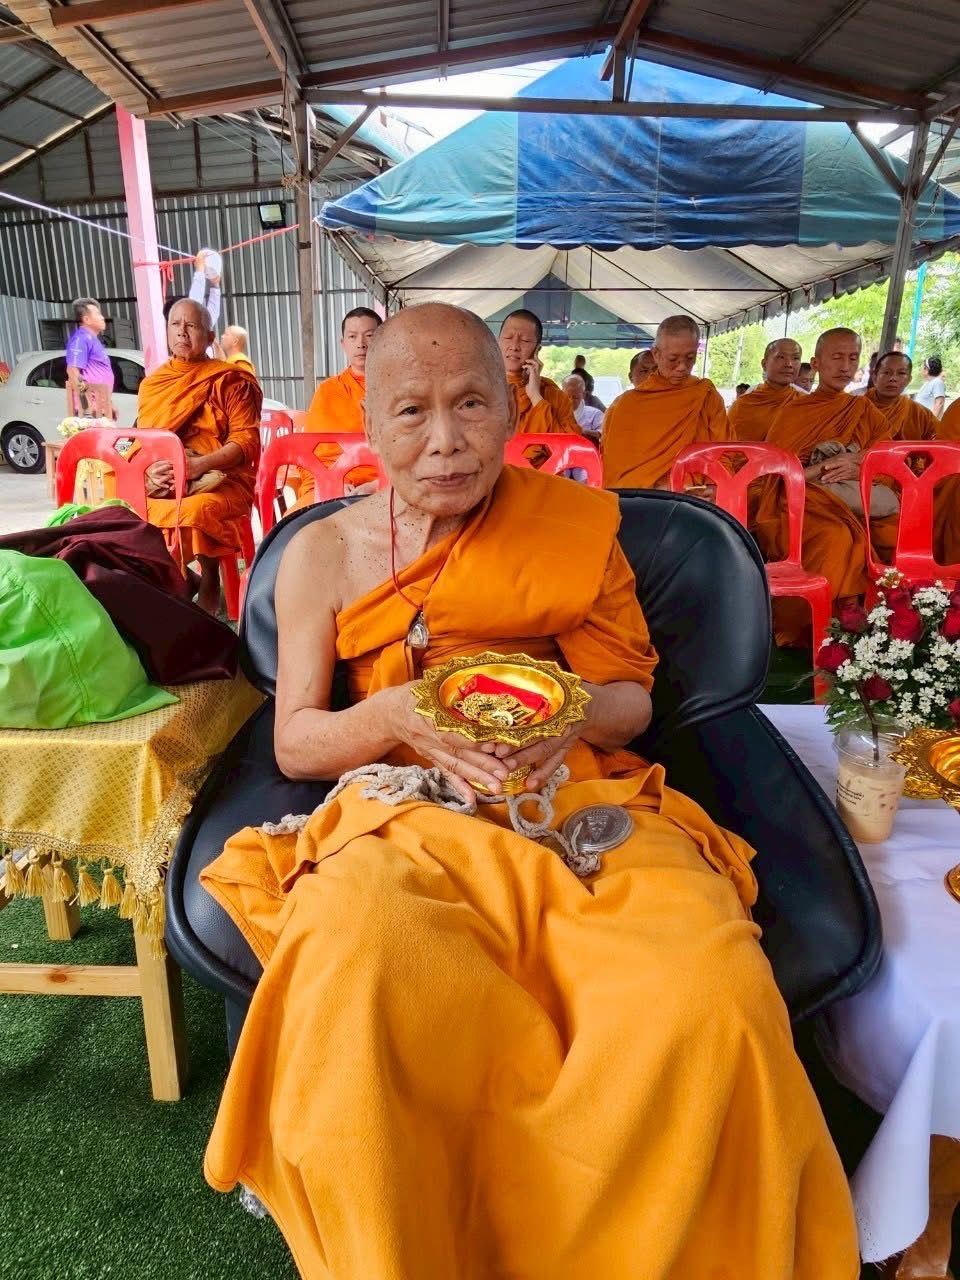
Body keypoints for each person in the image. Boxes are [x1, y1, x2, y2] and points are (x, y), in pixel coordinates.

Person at [200, 302, 857, 1280]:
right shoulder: (321, 554)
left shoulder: (574, 525)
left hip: (579, 803)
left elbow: (631, 700)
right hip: (402, 806)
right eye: (411, 411)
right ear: (366, 419)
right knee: (360, 963)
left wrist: (567, 712)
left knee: (706, 991)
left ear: (512, 407)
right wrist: (395, 716)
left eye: (471, 403)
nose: (446, 441)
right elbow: (297, 740)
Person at [752, 327, 894, 647]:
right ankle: (813, 626)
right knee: (837, 535)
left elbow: (887, 457)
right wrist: (824, 468)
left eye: (853, 358)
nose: (845, 366)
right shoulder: (794, 411)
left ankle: (863, 619)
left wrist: (857, 460)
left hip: (851, 500)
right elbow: (777, 474)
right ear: (816, 363)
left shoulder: (863, 410)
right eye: (837, 357)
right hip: (797, 502)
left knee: (892, 530)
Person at [137, 299, 262, 614]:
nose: (182, 333)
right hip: (168, 476)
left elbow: (246, 442)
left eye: (191, 325)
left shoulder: (230, 379)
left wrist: (199, 465)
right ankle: (164, 580)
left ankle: (209, 575)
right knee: (123, 503)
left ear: (209, 337)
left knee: (194, 510)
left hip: (223, 479)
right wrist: (149, 471)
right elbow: (142, 440)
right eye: (175, 325)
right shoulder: (152, 385)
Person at [601, 314, 728, 489]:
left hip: (691, 497)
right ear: (656, 354)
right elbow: (614, 468)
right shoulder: (626, 404)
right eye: (673, 359)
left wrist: (714, 487)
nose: (682, 366)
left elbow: (725, 452)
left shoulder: (706, 396)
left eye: (690, 358)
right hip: (640, 497)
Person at [296, 307, 383, 506]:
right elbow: (310, 453)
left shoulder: (400, 389)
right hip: (331, 484)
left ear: (384, 342)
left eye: (369, 336)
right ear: (343, 344)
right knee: (294, 529)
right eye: (352, 337)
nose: (361, 344)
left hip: (389, 485)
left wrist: (379, 484)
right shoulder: (328, 391)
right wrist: (334, 482)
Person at [500, 310, 580, 435]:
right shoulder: (480, 389)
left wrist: (536, 397)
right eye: (508, 337)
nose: (514, 346)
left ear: (537, 349)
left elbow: (570, 447)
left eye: (525, 340)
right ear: (497, 342)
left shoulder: (554, 395)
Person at [728, 339, 802, 442]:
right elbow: (729, 448)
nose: (789, 364)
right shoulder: (744, 405)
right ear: (764, 364)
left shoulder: (806, 403)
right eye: (781, 357)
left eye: (796, 358)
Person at [866, 352, 937, 440]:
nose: (893, 378)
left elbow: (941, 439)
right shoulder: (856, 407)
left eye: (901, 373)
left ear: (909, 380)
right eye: (886, 372)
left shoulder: (920, 414)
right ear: (874, 377)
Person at [65, 297, 114, 420]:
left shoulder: (93, 339)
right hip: (91, 412)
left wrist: (110, 404)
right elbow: (72, 371)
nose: (102, 317)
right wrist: (88, 407)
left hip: (100, 408)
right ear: (86, 319)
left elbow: (100, 376)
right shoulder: (81, 339)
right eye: (98, 314)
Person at [562, 372, 603, 436]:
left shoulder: (595, 414)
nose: (571, 401)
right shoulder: (555, 413)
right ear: (561, 393)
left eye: (575, 397)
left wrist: (583, 431)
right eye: (567, 397)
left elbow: (604, 434)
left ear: (583, 394)